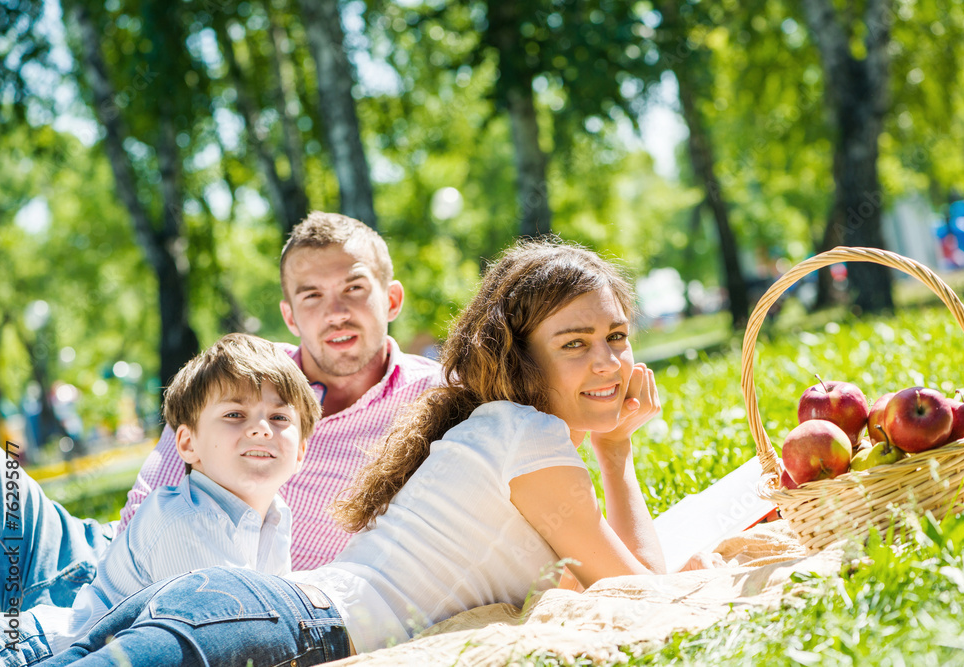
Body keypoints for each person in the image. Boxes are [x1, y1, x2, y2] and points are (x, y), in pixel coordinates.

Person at [42, 238, 667, 666]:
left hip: (247, 612)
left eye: (615, 336)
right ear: (521, 354)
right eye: (575, 343)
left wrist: (614, 450)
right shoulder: (523, 434)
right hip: (276, 624)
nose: (608, 362)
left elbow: (621, 582)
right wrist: (615, 453)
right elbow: (642, 595)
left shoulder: (499, 430)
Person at [0, 212, 441, 622]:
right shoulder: (239, 378)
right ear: (289, 315)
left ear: (392, 298)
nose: (335, 312)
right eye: (311, 295)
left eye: (354, 288)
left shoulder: (439, 400)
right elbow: (151, 499)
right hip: (114, 568)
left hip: (205, 602)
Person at [0, 333, 320, 665]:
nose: (261, 428)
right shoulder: (186, 521)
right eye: (235, 414)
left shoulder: (274, 515)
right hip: (31, 652)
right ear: (188, 444)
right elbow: (234, 640)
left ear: (301, 452)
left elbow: (276, 621)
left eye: (280, 418)